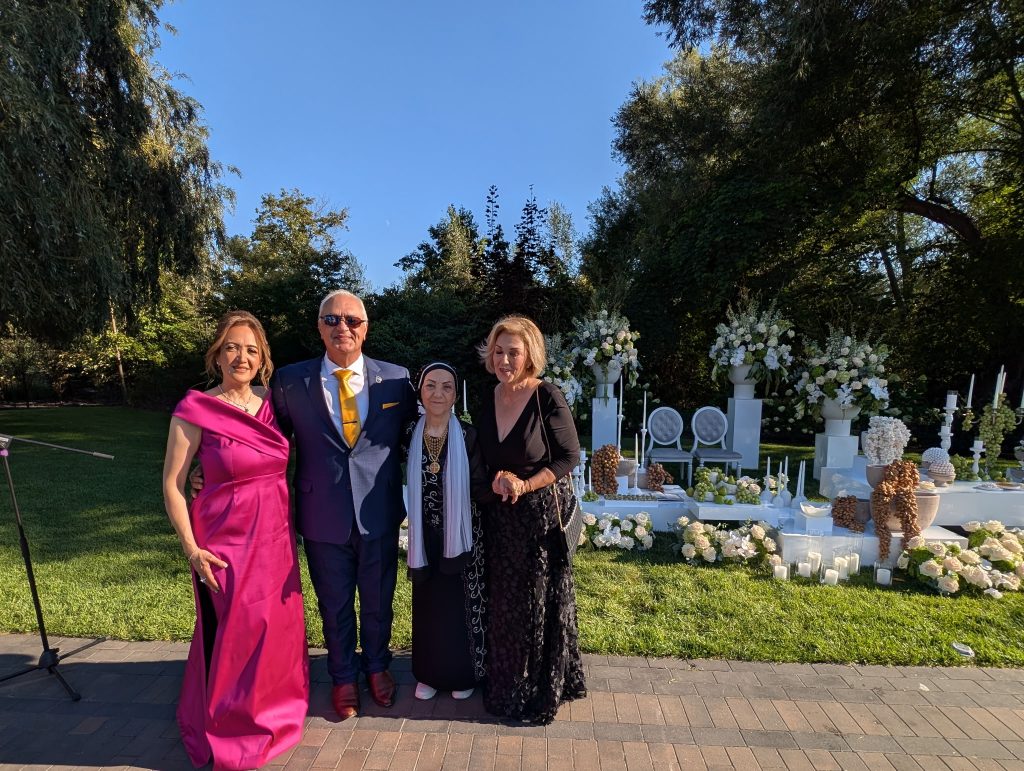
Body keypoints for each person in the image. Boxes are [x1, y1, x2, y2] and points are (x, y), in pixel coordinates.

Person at [162, 311, 308, 771]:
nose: (240, 356)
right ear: (217, 355)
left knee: (274, 628)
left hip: (275, 534)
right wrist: (190, 547)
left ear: (262, 358)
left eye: (250, 349)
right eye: (232, 347)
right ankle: (229, 725)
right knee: (236, 631)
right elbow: (173, 483)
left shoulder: (274, 403)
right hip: (222, 537)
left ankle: (277, 710)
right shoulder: (196, 408)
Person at [271, 290, 417, 720]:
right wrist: (213, 470)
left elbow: (424, 432)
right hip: (322, 515)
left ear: (366, 328)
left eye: (353, 320)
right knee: (332, 604)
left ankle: (376, 668)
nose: (343, 328)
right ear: (319, 326)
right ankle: (341, 677)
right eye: (332, 319)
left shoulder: (395, 379)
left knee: (378, 599)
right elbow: (268, 444)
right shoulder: (289, 381)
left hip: (379, 512)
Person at [475, 315, 587, 725]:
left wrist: (526, 483)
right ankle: (506, 680)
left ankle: (537, 684)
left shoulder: (546, 395)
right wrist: (498, 477)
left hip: (539, 518)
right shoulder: (487, 399)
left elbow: (569, 456)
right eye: (498, 351)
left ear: (530, 355)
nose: (505, 359)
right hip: (500, 518)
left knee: (536, 600)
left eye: (513, 352)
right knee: (504, 601)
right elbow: (486, 456)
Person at [405, 362, 492, 701]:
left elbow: (480, 484)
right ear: (420, 391)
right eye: (431, 386)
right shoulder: (410, 432)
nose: (438, 393)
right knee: (429, 606)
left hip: (462, 534)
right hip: (424, 537)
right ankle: (428, 673)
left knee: (461, 607)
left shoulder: (468, 435)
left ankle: (462, 674)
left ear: (456, 394)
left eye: (446, 387)